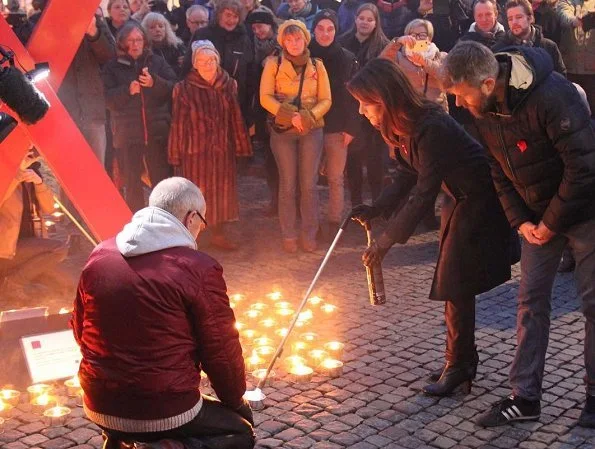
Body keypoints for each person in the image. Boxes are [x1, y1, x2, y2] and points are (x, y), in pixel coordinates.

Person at [444, 40, 595, 428]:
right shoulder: (485, 108)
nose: (460, 105)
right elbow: (498, 168)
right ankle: (525, 397)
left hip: (585, 211)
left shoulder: (554, 96)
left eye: (462, 95)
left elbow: (583, 167)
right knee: (530, 304)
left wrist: (549, 223)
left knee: (593, 304)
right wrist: (522, 223)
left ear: (488, 81)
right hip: (535, 217)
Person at [348, 57, 513, 397]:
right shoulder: (403, 126)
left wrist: (386, 241)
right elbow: (409, 172)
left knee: (455, 282)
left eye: (365, 104)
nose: (362, 111)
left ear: (384, 98)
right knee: (456, 283)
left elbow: (424, 193)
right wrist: (378, 208)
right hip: (459, 197)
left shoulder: (431, 125)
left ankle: (460, 365)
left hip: (479, 199)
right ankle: (460, 361)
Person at [71, 177, 255, 449]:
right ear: (192, 217)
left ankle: (119, 439)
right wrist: (235, 401)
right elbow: (220, 349)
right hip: (166, 404)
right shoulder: (198, 268)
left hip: (99, 402)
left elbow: (79, 328)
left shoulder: (100, 254)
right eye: (202, 223)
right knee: (240, 433)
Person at [169, 40, 253, 250]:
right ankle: (194, 237)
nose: (207, 64)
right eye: (202, 60)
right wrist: (175, 153)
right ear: (194, 63)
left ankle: (218, 233)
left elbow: (235, 116)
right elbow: (178, 122)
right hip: (195, 151)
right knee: (197, 194)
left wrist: (242, 145)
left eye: (211, 60)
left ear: (217, 60)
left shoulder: (228, 84)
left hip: (222, 149)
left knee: (222, 193)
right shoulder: (184, 88)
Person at [260, 20, 332, 253]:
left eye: (298, 38)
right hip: (283, 130)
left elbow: (326, 99)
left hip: (311, 128)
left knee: (309, 184)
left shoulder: (317, 65)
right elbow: (265, 97)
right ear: (282, 41)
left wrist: (309, 116)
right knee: (288, 183)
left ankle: (309, 233)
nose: (294, 44)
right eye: (289, 40)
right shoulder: (273, 64)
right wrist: (290, 115)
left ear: (305, 39)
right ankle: (289, 234)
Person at [102, 21, 176, 212]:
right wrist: (127, 91)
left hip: (156, 133)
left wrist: (154, 83)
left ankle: (162, 219)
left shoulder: (156, 62)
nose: (135, 44)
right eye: (130, 40)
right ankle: (136, 222)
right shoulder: (112, 67)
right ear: (122, 43)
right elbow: (107, 100)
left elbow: (174, 88)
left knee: (160, 182)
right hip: (127, 135)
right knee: (132, 183)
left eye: (139, 40)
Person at [310, 9, 360, 236]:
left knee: (335, 178)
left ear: (336, 30)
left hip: (338, 126)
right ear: (314, 30)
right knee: (308, 178)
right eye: (320, 28)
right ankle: (310, 221)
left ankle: (333, 221)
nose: (325, 33)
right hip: (310, 125)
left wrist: (351, 127)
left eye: (330, 28)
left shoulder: (347, 58)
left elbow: (355, 96)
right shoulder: (305, 55)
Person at [0, 150, 74, 296]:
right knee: (59, 248)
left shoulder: (34, 175)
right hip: (6, 251)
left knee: (67, 285)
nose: (27, 159)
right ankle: (14, 283)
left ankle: (16, 279)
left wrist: (39, 183)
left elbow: (50, 208)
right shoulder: (4, 173)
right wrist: (16, 175)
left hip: (28, 250)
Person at [339, 3, 390, 206]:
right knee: (353, 160)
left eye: (370, 19)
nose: (365, 23)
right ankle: (357, 204)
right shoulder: (343, 41)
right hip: (350, 110)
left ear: (376, 22)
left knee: (375, 161)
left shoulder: (383, 46)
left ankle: (377, 203)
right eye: (362, 18)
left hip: (374, 109)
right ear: (355, 19)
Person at [184, 0, 255, 123]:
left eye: (235, 16)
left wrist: (247, 111)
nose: (231, 20)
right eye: (228, 15)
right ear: (219, 14)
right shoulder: (203, 34)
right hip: (203, 103)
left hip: (233, 104)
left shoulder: (244, 40)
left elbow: (250, 75)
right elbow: (187, 67)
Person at [246, 6, 281, 215]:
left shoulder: (281, 47)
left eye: (261, 26)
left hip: (279, 108)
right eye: (254, 27)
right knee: (269, 158)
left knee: (282, 159)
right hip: (260, 109)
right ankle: (274, 199)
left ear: (271, 25)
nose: (257, 31)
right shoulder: (250, 46)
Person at [381, 18, 449, 111]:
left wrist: (424, 62)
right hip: (408, 110)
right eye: (413, 35)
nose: (417, 38)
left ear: (429, 38)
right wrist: (397, 42)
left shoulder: (441, 56)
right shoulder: (399, 57)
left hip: (437, 110)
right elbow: (381, 65)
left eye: (422, 35)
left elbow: (446, 77)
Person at [492, 0, 566, 76]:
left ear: (530, 18)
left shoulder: (549, 47)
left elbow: (560, 78)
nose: (514, 22)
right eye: (510, 19)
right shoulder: (499, 50)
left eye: (519, 17)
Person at [557, 0, 595, 118]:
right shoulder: (566, 2)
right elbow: (563, 16)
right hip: (570, 70)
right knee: (572, 113)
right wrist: (577, 21)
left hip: (592, 72)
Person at [142, 12, 186, 78]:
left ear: (166, 28)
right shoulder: (143, 51)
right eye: (152, 27)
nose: (158, 30)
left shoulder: (177, 45)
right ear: (145, 30)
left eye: (161, 26)